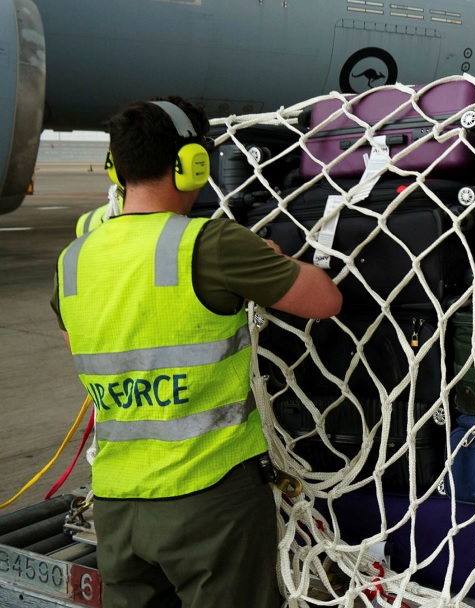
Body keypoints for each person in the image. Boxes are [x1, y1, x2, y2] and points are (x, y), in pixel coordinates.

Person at [52, 97, 343, 608]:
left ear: (116, 168)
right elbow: (325, 299)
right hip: (210, 500)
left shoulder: (74, 260)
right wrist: (267, 260)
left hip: (118, 504)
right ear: (192, 165)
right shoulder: (209, 243)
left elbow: (80, 340)